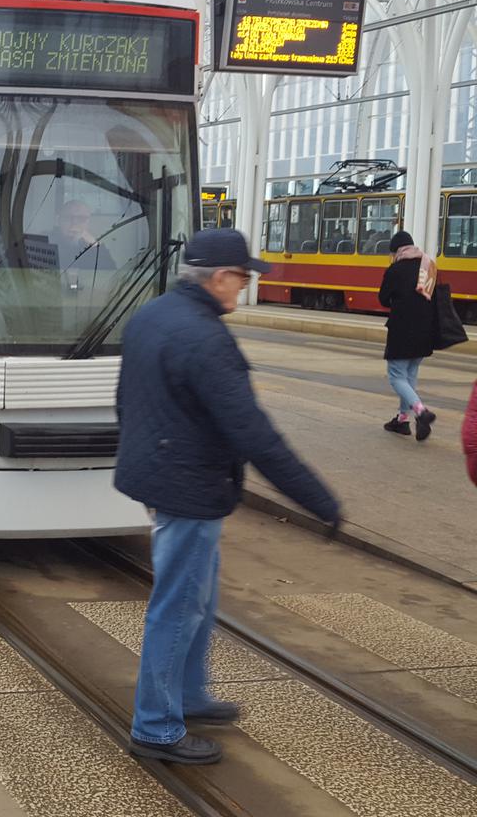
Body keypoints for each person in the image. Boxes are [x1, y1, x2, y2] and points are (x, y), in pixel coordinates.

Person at [114, 228, 341, 765]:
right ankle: (156, 727)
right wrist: (319, 501)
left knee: (200, 597)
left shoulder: (152, 315)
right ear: (219, 278)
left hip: (164, 477)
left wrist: (146, 463)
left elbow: (126, 400)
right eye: (242, 278)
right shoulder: (206, 339)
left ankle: (189, 694)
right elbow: (255, 434)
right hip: (189, 488)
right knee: (178, 607)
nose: (244, 287)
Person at [378, 231, 438, 440]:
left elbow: (383, 299)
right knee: (409, 375)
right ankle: (403, 420)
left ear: (397, 251)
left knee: (396, 376)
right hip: (425, 331)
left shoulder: (396, 269)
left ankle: (422, 413)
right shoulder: (428, 266)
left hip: (402, 330)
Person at [48, 199, 115, 271]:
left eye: (81, 218)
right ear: (59, 220)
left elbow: (110, 273)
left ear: (89, 222)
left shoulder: (94, 246)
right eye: (68, 217)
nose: (74, 223)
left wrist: (95, 245)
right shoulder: (46, 240)